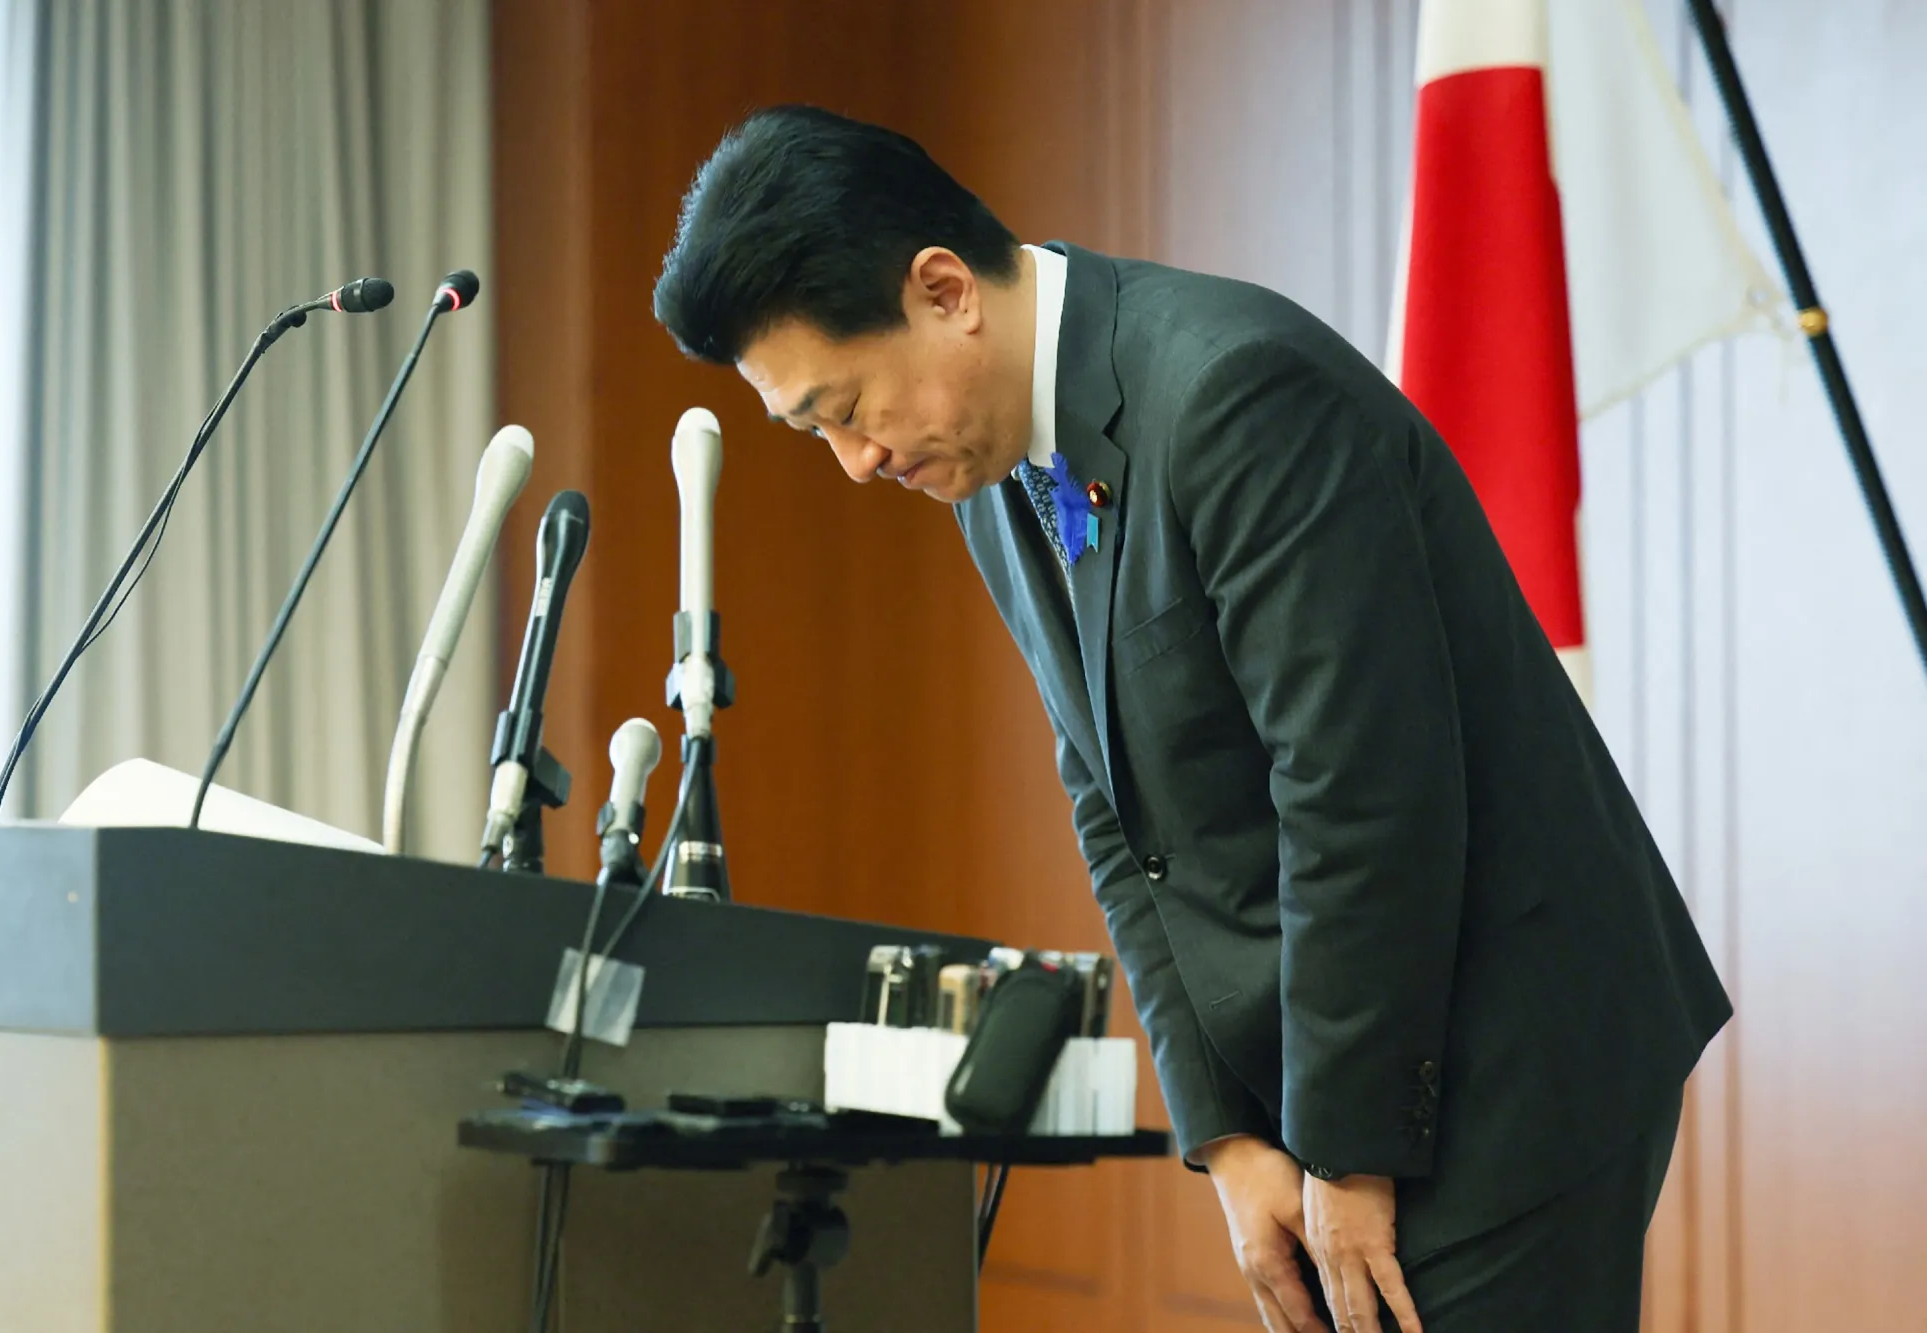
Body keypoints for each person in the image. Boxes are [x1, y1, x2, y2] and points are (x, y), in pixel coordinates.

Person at [651, 104, 1732, 1333]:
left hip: (1501, 1050)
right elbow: (1113, 809)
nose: (852, 459)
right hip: (1346, 1069)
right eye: (815, 432)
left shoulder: (1232, 393)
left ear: (944, 290)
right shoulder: (986, 462)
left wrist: (1342, 1148)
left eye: (843, 408)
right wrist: (1223, 1134)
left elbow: (1356, 792)